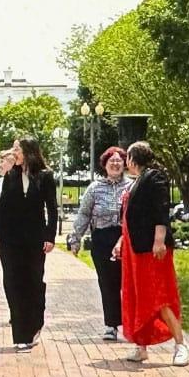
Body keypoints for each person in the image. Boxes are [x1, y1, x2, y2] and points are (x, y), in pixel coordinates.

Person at [112, 141, 189, 366]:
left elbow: (160, 210)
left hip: (150, 249)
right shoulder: (137, 182)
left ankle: (181, 344)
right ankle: (141, 345)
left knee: (159, 296)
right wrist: (121, 242)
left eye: (128, 158)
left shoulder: (155, 177)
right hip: (135, 249)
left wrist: (159, 240)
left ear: (134, 159)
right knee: (138, 295)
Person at [0, 137, 58, 353]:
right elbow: (3, 206)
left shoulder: (45, 176)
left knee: (34, 283)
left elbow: (52, 208)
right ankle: (20, 334)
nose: (13, 152)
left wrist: (50, 236)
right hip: (11, 240)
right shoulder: (10, 175)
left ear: (29, 152)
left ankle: (35, 322)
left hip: (34, 239)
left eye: (17, 149)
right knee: (12, 282)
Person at [66, 146, 132, 341]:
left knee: (127, 283)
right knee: (107, 283)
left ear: (125, 164)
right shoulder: (95, 188)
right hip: (102, 239)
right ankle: (111, 325)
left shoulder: (131, 186)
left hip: (125, 238)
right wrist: (75, 238)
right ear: (105, 164)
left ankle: (130, 324)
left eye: (119, 160)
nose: (115, 163)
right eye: (111, 161)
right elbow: (84, 214)